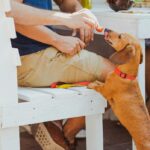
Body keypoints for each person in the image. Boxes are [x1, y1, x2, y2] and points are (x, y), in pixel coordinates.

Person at [8, 0, 115, 149]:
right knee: (119, 78)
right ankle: (65, 133)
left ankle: (56, 127)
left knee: (118, 79)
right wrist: (57, 38)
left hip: (37, 55)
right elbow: (9, 11)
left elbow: (65, 2)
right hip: (28, 59)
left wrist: (79, 12)